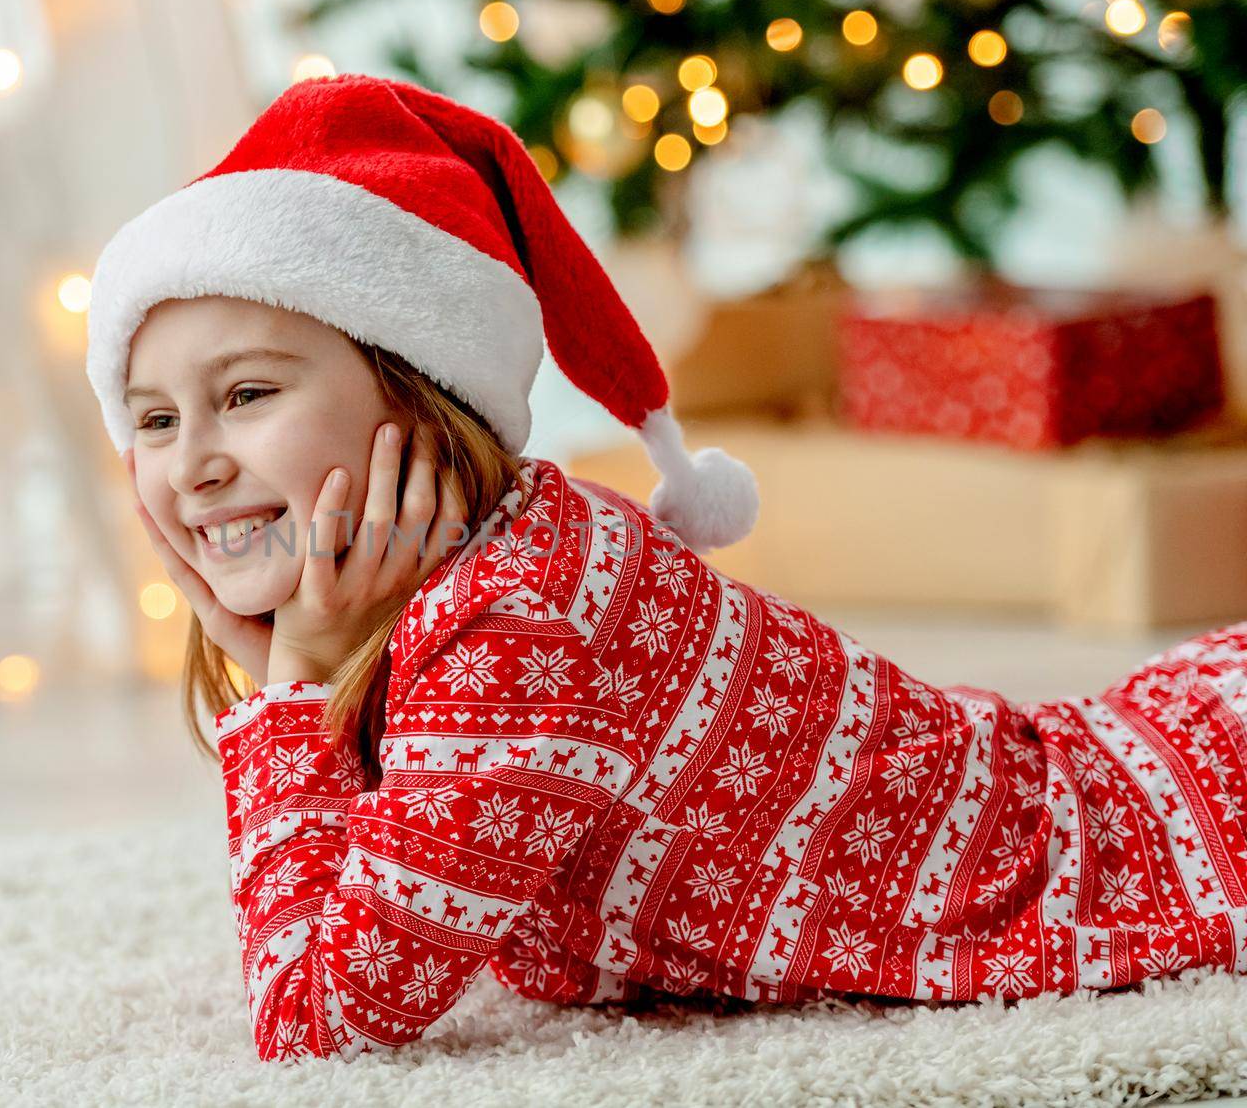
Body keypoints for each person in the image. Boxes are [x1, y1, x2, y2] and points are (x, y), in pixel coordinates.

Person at [85, 73, 1247, 1061]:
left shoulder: (510, 635)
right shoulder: (497, 552)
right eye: (151, 419)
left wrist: (292, 688)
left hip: (1130, 856)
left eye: (245, 395)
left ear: (416, 390)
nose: (189, 464)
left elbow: (316, 1007)